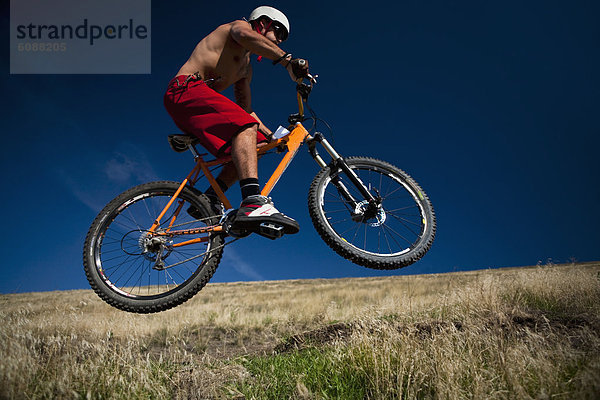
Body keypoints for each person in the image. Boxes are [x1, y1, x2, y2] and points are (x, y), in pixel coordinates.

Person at [163, 6, 310, 236]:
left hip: (196, 103)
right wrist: (287, 61)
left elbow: (246, 110)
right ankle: (252, 202)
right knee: (244, 128)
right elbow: (245, 36)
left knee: (255, 146)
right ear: (263, 23)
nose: (280, 40)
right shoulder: (237, 27)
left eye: (283, 37)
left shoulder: (245, 68)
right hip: (185, 89)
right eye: (279, 32)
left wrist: (273, 137)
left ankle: (209, 199)